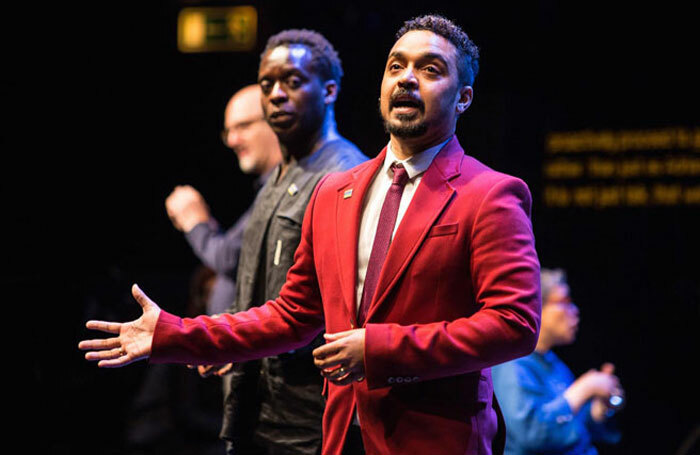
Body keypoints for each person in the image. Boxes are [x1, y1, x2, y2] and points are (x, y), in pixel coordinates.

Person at [80, 15, 541, 455]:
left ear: (463, 98)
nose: (406, 78)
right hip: (340, 434)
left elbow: (515, 325)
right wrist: (175, 335)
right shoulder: (335, 191)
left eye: (430, 69)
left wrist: (382, 350)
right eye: (395, 66)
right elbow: (292, 314)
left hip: (435, 439)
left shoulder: (490, 194)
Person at [185, 30, 366, 455]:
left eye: (293, 81)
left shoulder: (342, 176)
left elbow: (331, 306)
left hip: (307, 417)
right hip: (260, 407)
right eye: (268, 85)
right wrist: (227, 333)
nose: (278, 95)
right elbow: (259, 285)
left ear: (329, 90)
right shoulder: (278, 177)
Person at [165, 84, 282, 317]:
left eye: (242, 126)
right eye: (228, 131)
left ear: (275, 121)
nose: (232, 140)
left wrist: (194, 221)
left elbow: (231, 258)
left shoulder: (286, 186)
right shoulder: (270, 186)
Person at [492, 268, 623, 455]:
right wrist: (584, 389)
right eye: (565, 302)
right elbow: (530, 435)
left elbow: (569, 432)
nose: (575, 311)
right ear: (537, 307)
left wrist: (597, 410)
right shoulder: (511, 362)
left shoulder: (554, 364)